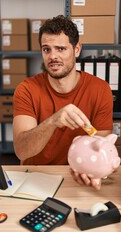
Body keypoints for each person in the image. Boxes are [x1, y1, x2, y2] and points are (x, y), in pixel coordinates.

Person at [12, 15, 113, 190]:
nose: (53, 57)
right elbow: (21, 150)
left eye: (60, 49)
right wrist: (53, 121)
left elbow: (101, 148)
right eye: (46, 49)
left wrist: (88, 171)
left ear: (76, 49)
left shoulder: (100, 89)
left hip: (78, 176)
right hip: (36, 177)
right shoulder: (26, 89)